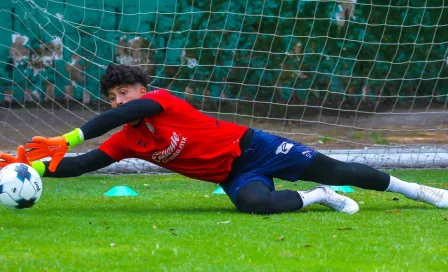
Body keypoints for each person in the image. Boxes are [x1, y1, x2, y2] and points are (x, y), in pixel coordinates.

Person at [1, 64, 446, 214]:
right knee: (255, 205)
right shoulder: (126, 141)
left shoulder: (159, 101)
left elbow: (136, 111)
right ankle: (319, 198)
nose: (120, 100)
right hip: (235, 174)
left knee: (343, 168)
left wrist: (70, 134)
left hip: (256, 146)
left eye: (124, 92)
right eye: (112, 96)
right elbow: (80, 164)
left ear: (140, 89)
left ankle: (420, 191)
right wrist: (26, 168)